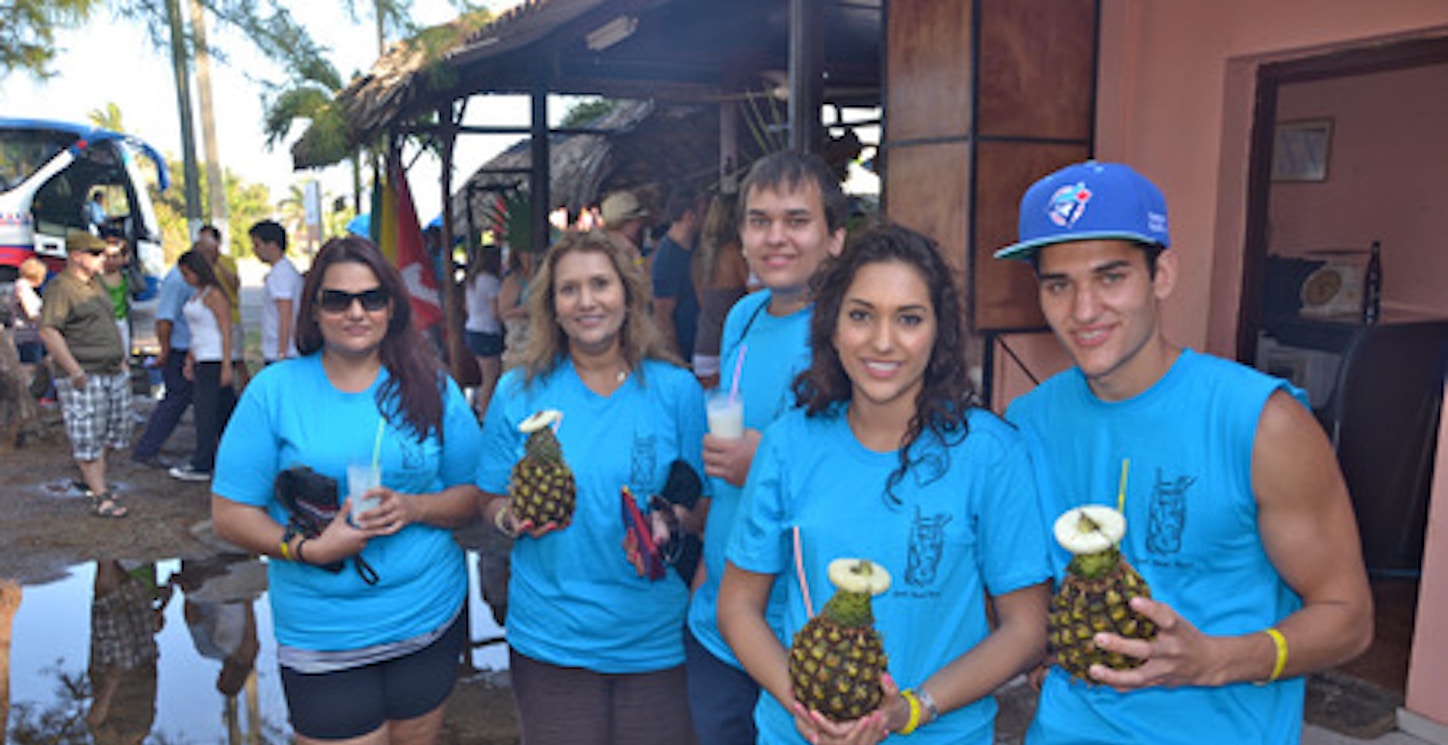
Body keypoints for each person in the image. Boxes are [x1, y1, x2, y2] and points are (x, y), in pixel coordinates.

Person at [994, 161, 1374, 744]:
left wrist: (1216, 659)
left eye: (1111, 276)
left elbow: (1348, 617)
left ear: (1162, 274)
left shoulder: (1262, 423)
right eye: (1058, 284)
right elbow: (1027, 589)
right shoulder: (1027, 423)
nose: (1084, 309)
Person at [716, 224, 1052, 744]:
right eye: (861, 315)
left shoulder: (990, 453)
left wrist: (914, 709)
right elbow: (738, 606)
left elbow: (1025, 628)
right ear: (831, 325)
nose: (883, 341)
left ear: (939, 331)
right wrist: (801, 703)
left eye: (909, 318)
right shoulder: (788, 444)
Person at [211, 235, 483, 744]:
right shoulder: (275, 391)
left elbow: (473, 497)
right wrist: (307, 548)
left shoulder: (432, 386)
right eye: (337, 299)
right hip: (325, 635)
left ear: (391, 308)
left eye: (371, 298)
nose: (355, 312)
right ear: (314, 310)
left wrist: (414, 506)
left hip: (429, 619)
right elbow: (229, 513)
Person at [476, 229, 706, 745]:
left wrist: (672, 522)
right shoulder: (518, 390)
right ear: (551, 306)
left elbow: (705, 498)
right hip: (551, 638)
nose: (587, 301)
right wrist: (508, 517)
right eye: (569, 289)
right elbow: (486, 495)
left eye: (600, 284)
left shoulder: (676, 390)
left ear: (628, 295)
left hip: (657, 637)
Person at [685, 150, 847, 745]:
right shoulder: (744, 318)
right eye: (759, 221)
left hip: (798, 626)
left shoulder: (850, 333)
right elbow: (729, 466)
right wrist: (707, 562)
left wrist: (771, 465)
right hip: (721, 617)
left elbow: (867, 474)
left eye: (797, 220)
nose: (775, 237)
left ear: (834, 238)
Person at [38, 230, 131, 518]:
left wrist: (122, 358)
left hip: (111, 369)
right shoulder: (61, 288)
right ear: (75, 256)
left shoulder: (96, 284)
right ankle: (100, 496)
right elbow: (48, 330)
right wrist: (73, 370)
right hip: (85, 373)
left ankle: (95, 482)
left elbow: (110, 320)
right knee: (88, 434)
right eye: (95, 253)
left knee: (115, 431)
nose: (102, 258)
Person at [168, 249, 236, 483]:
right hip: (202, 357)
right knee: (221, 413)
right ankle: (223, 458)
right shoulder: (197, 295)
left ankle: (203, 461)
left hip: (214, 359)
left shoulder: (213, 294)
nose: (185, 278)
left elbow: (226, 329)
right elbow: (197, 332)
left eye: (188, 273)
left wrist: (227, 364)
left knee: (206, 414)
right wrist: (190, 357)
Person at [131, 252, 195, 470]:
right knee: (175, 400)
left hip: (191, 348)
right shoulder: (178, 281)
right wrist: (165, 351)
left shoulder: (190, 278)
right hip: (180, 348)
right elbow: (164, 319)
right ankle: (147, 449)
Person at [690, 193, 750, 389]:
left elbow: (701, 303)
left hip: (703, 348)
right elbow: (756, 299)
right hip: (727, 348)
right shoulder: (734, 252)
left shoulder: (700, 256)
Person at [652, 188, 703, 362]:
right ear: (689, 216)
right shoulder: (667, 258)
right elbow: (663, 316)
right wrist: (677, 360)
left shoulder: (693, 247)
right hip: (684, 350)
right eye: (702, 213)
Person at [249, 220, 304, 365]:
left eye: (257, 245)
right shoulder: (283, 271)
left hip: (281, 351)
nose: (254, 250)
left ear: (272, 245)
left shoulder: (280, 274)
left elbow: (285, 311)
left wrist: (282, 352)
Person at [463, 245, 504, 419]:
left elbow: (465, 306)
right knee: (491, 378)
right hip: (487, 331)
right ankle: (485, 416)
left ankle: (484, 412)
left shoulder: (473, 280)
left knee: (485, 376)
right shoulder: (491, 281)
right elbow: (496, 311)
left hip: (472, 328)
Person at [498, 247, 534, 369]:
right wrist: (524, 310)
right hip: (520, 343)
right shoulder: (514, 280)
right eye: (527, 253)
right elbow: (503, 313)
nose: (531, 257)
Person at [97, 236, 133, 358]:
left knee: (124, 355)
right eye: (107, 256)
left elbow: (140, 287)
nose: (110, 261)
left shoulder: (126, 276)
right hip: (102, 323)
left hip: (121, 321)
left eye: (115, 256)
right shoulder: (96, 278)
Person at [600, 190, 650, 266]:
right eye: (635, 221)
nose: (639, 225)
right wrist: (634, 254)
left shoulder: (642, 244)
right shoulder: (608, 253)